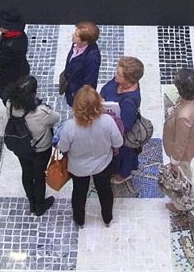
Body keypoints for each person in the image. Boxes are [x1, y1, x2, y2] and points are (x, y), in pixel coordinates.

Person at [57, 85, 123, 228]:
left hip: (78, 168)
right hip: (103, 165)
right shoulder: (107, 121)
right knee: (105, 192)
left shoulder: (69, 127)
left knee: (79, 194)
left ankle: (79, 220)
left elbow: (63, 148)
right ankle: (107, 218)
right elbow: (118, 142)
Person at [5, 75, 60, 216]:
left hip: (21, 147)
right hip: (40, 149)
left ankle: (32, 202)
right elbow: (56, 118)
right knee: (39, 176)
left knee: (26, 172)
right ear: (33, 94)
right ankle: (40, 205)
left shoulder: (10, 104)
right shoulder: (41, 112)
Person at [162, 68, 194, 212]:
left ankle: (181, 204)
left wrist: (174, 162)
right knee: (184, 169)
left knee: (181, 175)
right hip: (193, 141)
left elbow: (181, 142)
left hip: (183, 152)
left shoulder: (184, 117)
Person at [100, 56, 144, 184]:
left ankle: (123, 174)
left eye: (119, 74)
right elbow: (107, 88)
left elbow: (125, 126)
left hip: (120, 136)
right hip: (109, 120)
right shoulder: (119, 81)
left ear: (129, 81)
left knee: (124, 156)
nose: (115, 75)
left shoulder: (129, 102)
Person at [0, 9, 31, 100]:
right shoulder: (20, 35)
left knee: (11, 96)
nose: (0, 28)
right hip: (21, 68)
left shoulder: (9, 46)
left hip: (11, 76)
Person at [61, 21, 101, 107]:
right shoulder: (76, 44)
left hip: (77, 94)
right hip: (71, 86)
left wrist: (79, 97)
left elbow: (89, 83)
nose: (72, 35)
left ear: (85, 41)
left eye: (76, 35)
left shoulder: (92, 59)